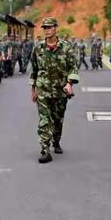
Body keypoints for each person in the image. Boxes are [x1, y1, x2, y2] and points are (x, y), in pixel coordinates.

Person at [30, 17, 79, 164]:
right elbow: (34, 69)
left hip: (60, 91)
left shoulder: (66, 47)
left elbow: (73, 67)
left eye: (49, 27)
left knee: (58, 119)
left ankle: (56, 140)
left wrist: (70, 83)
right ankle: (45, 150)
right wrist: (33, 89)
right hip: (43, 90)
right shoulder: (38, 48)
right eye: (44, 27)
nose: (46, 30)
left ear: (56, 28)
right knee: (44, 120)